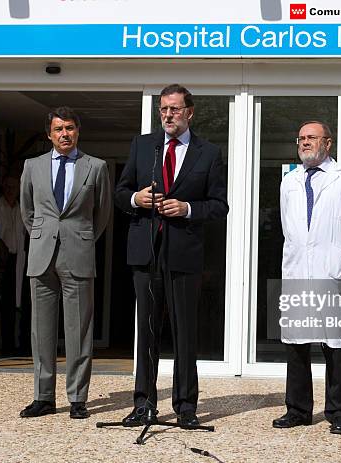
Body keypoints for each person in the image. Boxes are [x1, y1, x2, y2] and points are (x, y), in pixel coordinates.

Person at [115, 84, 229, 427]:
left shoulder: (208, 153)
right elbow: (121, 193)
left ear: (189, 113)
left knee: (184, 333)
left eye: (175, 109)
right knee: (146, 331)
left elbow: (219, 206)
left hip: (184, 254)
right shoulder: (142, 146)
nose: (168, 115)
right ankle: (143, 404)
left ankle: (185, 407)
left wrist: (187, 208)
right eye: (163, 109)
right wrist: (137, 199)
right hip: (146, 252)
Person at [272, 121, 341, 434]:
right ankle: (298, 410)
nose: (304, 142)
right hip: (297, 272)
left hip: (334, 274)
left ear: (328, 143)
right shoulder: (289, 182)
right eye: (301, 138)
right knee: (296, 345)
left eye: (311, 137)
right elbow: (289, 229)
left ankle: (340, 412)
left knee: (337, 346)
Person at [19, 107, 111, 419]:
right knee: (41, 330)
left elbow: (102, 215)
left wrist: (81, 238)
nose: (64, 134)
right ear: (49, 134)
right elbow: (27, 212)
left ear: (78, 131)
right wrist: (44, 236)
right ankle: (43, 397)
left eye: (70, 128)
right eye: (58, 129)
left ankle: (77, 399)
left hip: (79, 254)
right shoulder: (32, 166)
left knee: (79, 330)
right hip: (42, 255)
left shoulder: (95, 167)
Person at [0, 175, 27, 356]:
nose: (11, 189)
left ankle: (9, 346)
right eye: (8, 186)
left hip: (16, 260)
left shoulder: (22, 209)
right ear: (3, 187)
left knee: (11, 305)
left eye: (14, 186)